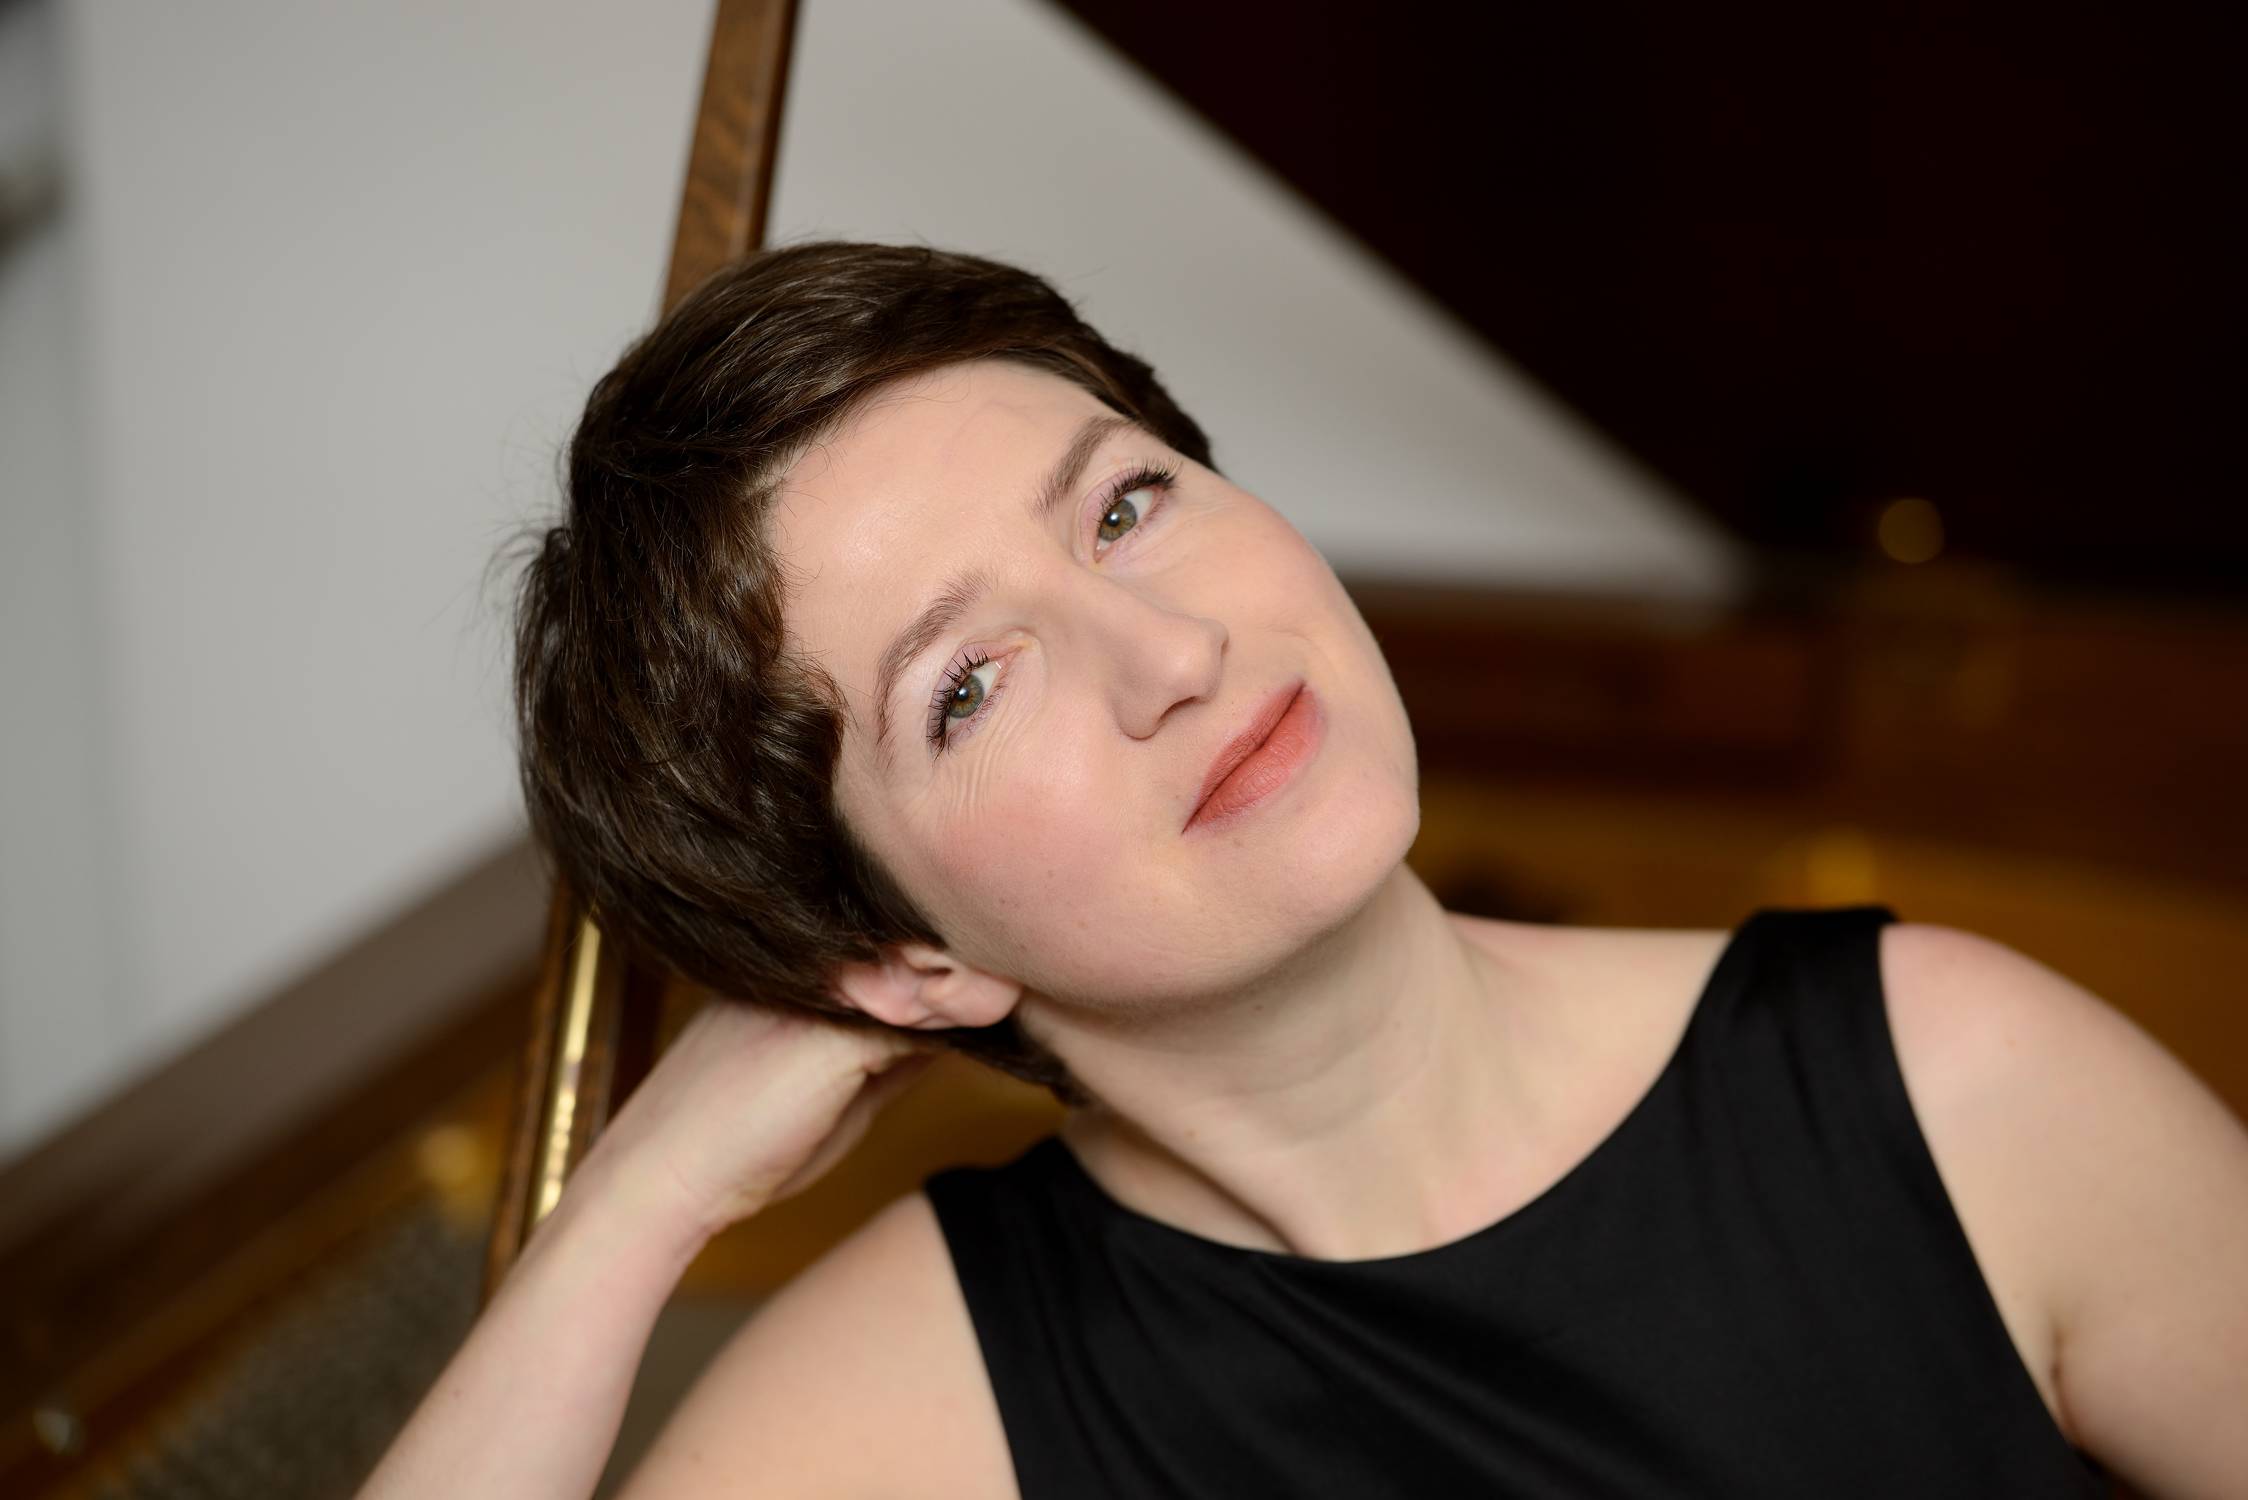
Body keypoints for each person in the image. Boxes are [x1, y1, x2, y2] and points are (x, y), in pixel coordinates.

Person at [359, 242, 2248, 1499]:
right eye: (971, 685)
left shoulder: (1955, 1088)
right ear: (904, 957)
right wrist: (640, 1206)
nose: (1172, 651)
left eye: (1125, 503)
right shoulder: (921, 1410)